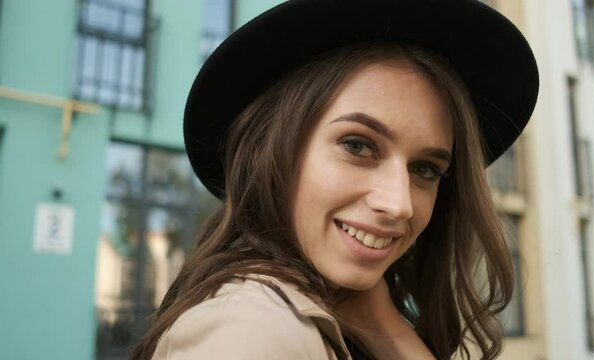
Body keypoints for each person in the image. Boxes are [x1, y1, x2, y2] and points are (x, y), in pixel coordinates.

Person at [132, 0, 538, 359]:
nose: (400, 204)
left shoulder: (328, 319)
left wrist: (385, 328)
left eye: (425, 169)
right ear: (273, 151)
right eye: (358, 146)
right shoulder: (254, 334)